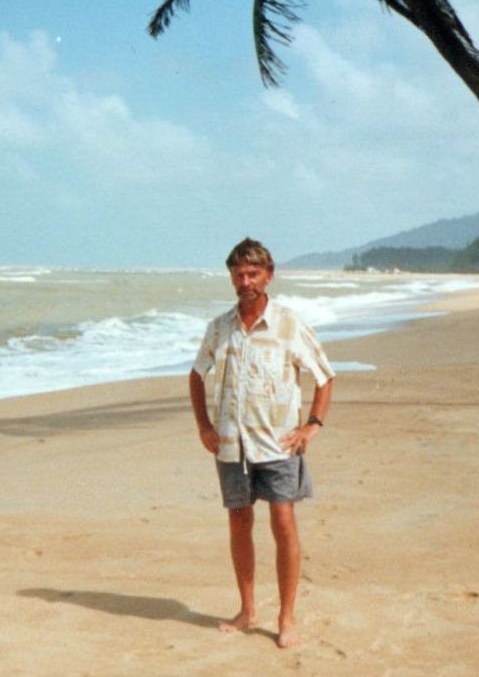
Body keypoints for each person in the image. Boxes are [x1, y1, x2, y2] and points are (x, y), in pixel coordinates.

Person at [189, 237, 335, 649]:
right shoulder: (218, 328)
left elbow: (324, 376)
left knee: (283, 523)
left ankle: (286, 618)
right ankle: (247, 609)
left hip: (278, 446)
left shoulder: (289, 324)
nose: (245, 281)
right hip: (232, 446)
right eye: (238, 274)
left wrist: (312, 425)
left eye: (253, 273)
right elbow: (198, 375)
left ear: (268, 276)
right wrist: (203, 426)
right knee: (239, 523)